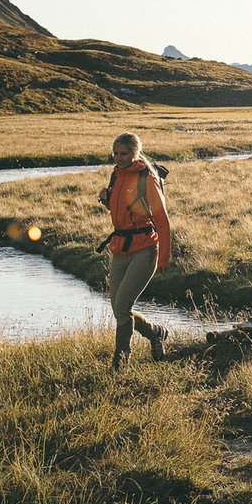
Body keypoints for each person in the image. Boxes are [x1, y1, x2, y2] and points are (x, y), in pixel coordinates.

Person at [99, 132, 171, 369]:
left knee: (122, 307)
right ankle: (156, 333)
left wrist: (164, 257)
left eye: (125, 153)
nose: (119, 158)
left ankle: (120, 363)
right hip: (120, 248)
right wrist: (107, 200)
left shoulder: (146, 178)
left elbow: (162, 219)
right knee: (120, 309)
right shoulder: (116, 175)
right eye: (116, 153)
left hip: (145, 248)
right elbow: (121, 209)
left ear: (135, 153)